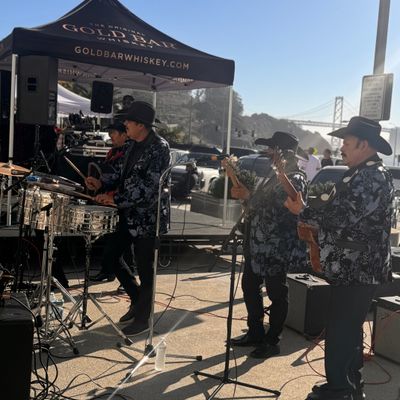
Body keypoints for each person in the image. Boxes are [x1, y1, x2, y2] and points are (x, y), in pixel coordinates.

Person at [285, 116, 394, 400]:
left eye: (346, 142)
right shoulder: (359, 173)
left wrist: (302, 211)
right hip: (351, 266)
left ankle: (339, 389)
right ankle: (349, 385)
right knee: (347, 328)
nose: (342, 147)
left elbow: (342, 217)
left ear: (364, 144)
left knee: (340, 329)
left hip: (359, 267)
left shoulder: (372, 176)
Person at [86, 101, 171, 336]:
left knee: (145, 269)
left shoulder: (159, 148)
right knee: (110, 257)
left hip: (148, 218)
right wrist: (101, 182)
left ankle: (143, 319)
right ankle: (137, 298)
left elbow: (149, 186)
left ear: (141, 125)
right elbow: (121, 174)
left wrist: (115, 199)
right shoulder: (132, 145)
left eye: (128, 121)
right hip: (128, 213)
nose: (124, 124)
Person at [230, 131, 308, 359]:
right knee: (249, 286)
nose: (267, 152)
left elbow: (282, 209)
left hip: (276, 247)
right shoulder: (273, 175)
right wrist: (246, 197)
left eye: (272, 148)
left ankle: (272, 340)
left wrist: (250, 196)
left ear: (283, 153)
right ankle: (255, 332)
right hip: (257, 244)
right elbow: (261, 205)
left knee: (276, 293)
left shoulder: (295, 178)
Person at [90, 122, 129, 283]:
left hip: (123, 201)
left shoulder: (129, 152)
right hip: (109, 200)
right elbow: (108, 176)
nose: (110, 136)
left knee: (124, 243)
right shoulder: (112, 152)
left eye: (113, 132)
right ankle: (108, 271)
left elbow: (123, 179)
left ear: (124, 135)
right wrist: (97, 183)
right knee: (110, 236)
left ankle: (127, 277)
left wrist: (113, 195)